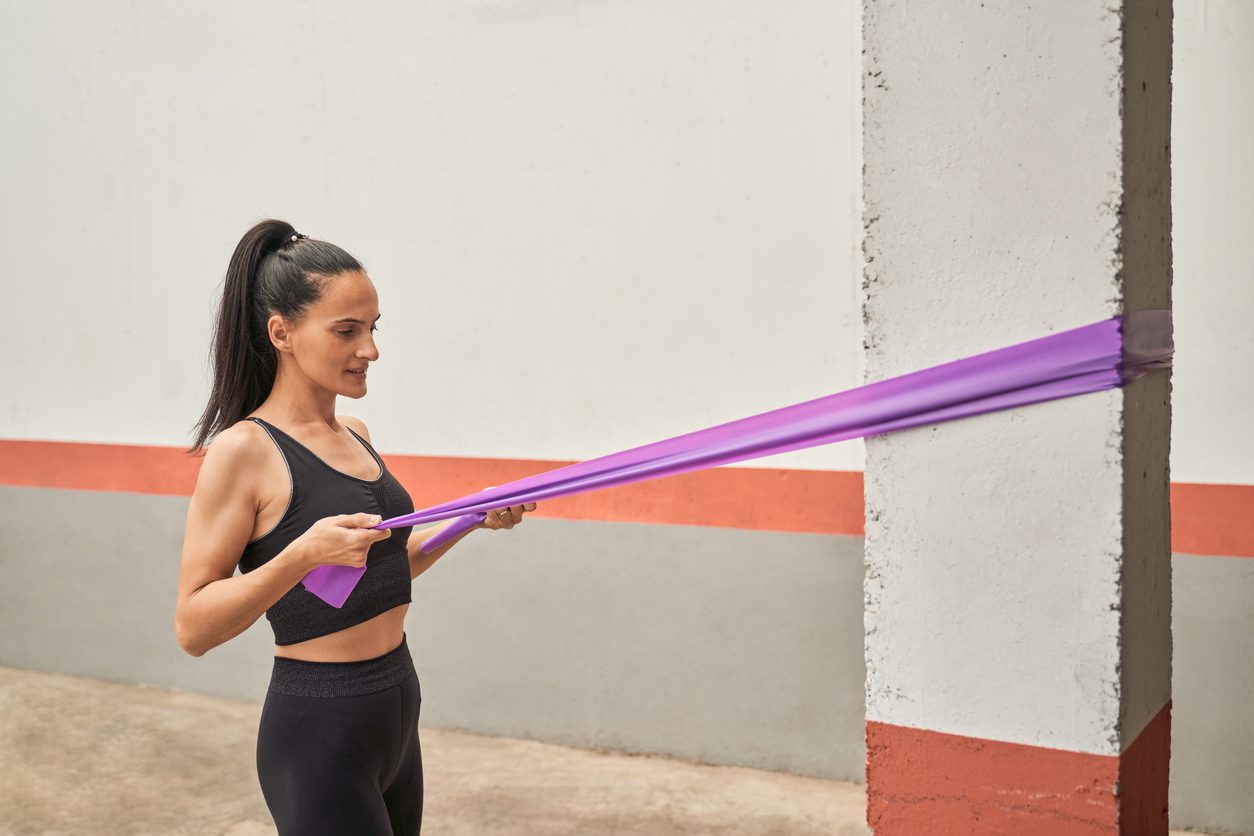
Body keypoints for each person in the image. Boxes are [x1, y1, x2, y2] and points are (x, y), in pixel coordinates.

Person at [173, 219, 536, 835]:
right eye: (346, 331)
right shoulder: (244, 452)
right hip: (321, 725)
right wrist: (302, 554)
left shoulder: (357, 438)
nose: (370, 350)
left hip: (395, 706)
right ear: (281, 332)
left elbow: (385, 565)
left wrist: (469, 517)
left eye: (372, 329)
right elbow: (192, 626)